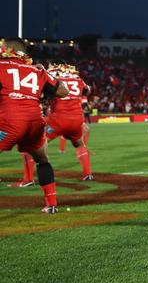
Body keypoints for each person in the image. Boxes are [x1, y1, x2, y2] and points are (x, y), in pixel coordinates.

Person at [0, 39, 68, 213]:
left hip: (10, 121)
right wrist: (46, 72)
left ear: (8, 49)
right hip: (35, 122)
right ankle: (51, 205)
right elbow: (63, 91)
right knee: (43, 160)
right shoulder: (36, 70)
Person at [45, 63, 94, 180]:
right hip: (77, 120)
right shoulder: (78, 79)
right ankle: (88, 173)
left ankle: (37, 176)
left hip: (58, 119)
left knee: (38, 142)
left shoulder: (53, 77)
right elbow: (88, 91)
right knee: (79, 144)